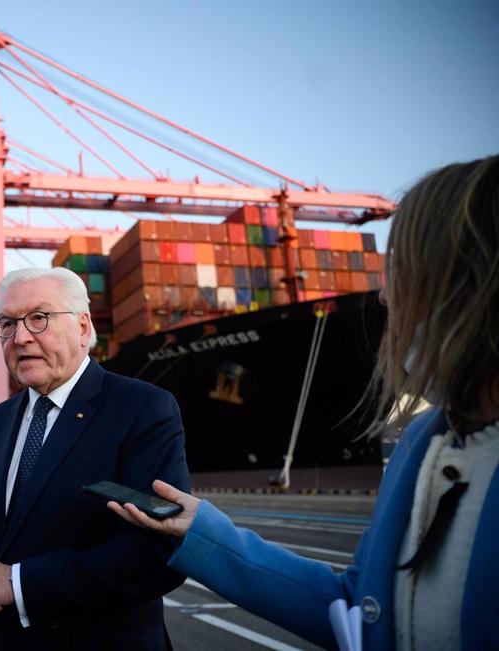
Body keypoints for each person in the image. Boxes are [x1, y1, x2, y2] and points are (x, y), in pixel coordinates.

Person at [108, 156, 499, 650]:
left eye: (401, 270)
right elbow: (359, 608)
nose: (381, 298)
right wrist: (202, 532)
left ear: (467, 286)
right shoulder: (423, 443)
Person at [0, 267, 190, 650]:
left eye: (39, 318)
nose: (20, 337)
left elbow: (158, 553)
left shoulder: (144, 409)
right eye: (7, 323)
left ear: (83, 328)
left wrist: (14, 584)